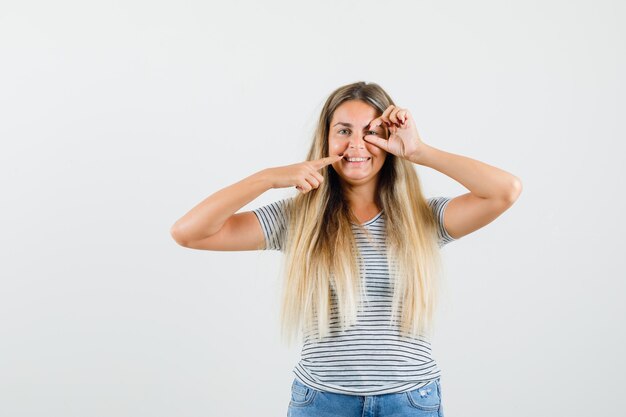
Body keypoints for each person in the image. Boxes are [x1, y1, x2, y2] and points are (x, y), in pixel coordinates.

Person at [170, 81, 522, 417]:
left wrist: (419, 151)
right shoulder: (297, 220)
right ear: (325, 138)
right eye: (343, 131)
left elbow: (505, 190)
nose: (357, 145)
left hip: (410, 402)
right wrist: (267, 178)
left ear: (389, 138)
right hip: (322, 403)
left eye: (371, 131)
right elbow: (189, 232)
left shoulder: (423, 219)